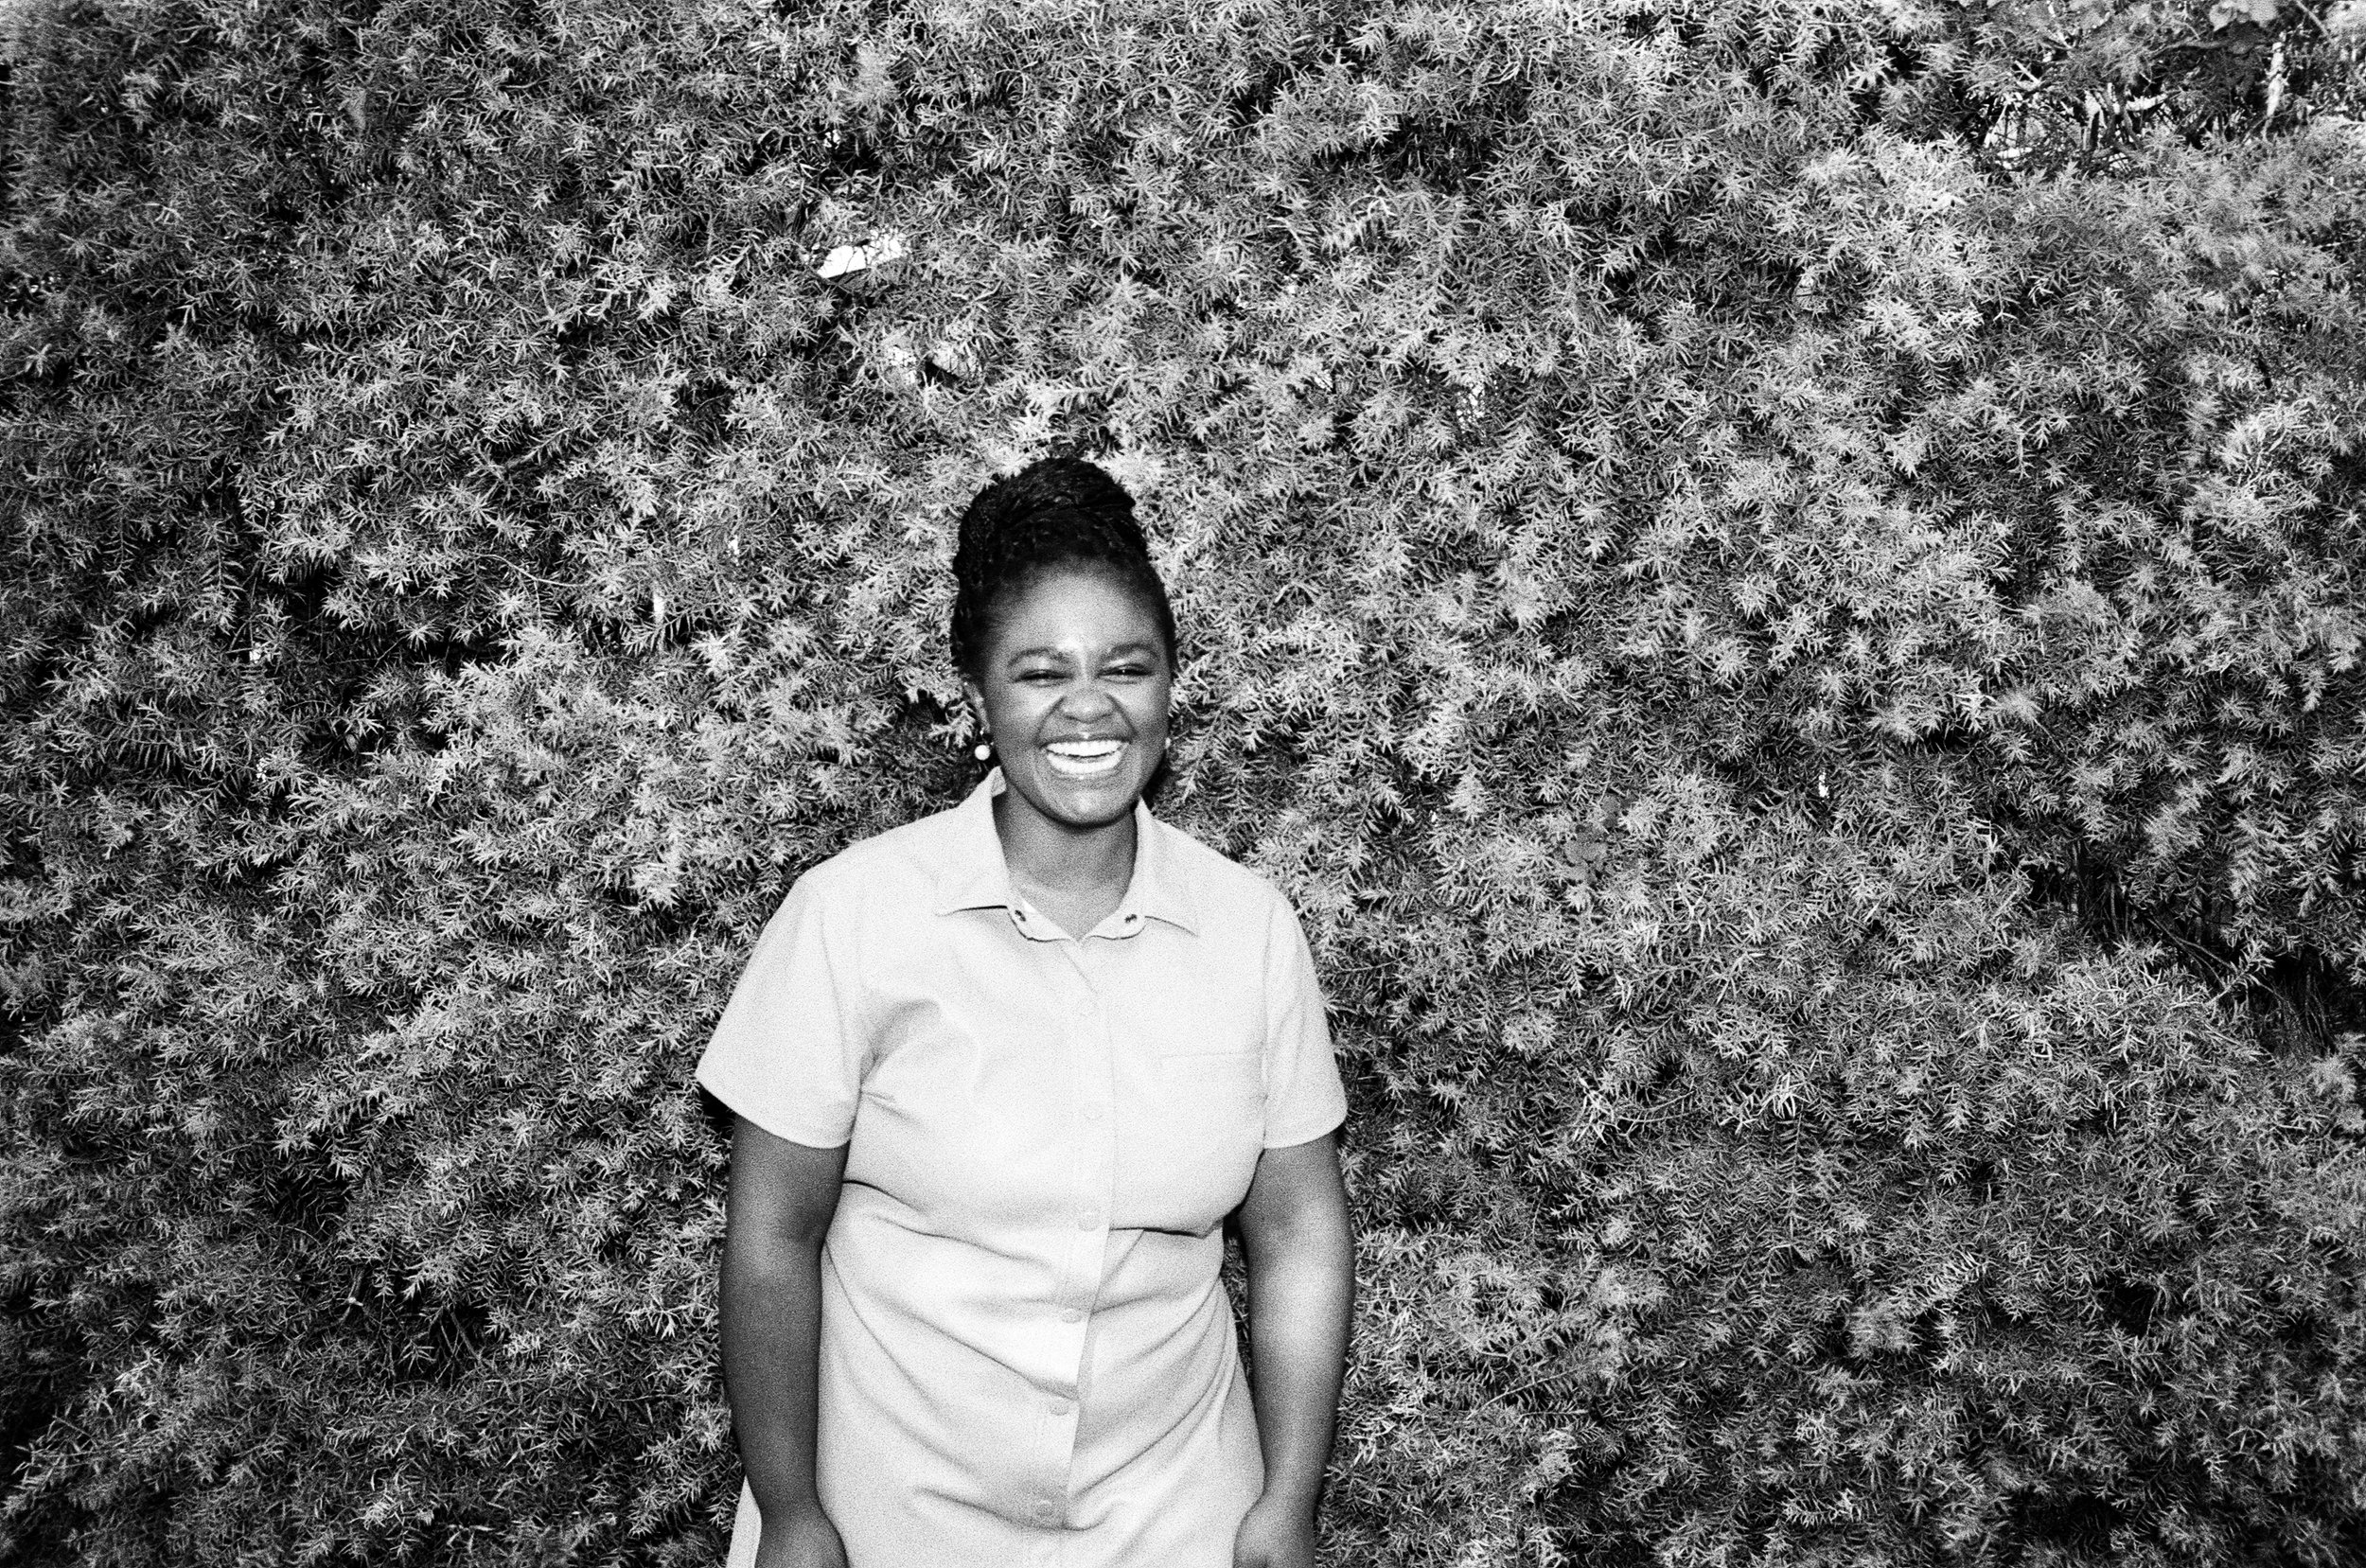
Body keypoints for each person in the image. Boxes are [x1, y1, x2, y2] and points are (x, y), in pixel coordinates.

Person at [698, 457, 1355, 1568]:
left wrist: (1284, 1503)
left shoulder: (1249, 930)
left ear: (1168, 688)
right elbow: (773, 1239)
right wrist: (794, 1512)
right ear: (980, 698)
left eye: (1126, 668)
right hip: (890, 1516)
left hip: (1172, 1517)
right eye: (1040, 672)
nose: (1088, 707)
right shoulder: (853, 916)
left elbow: (1295, 1232)